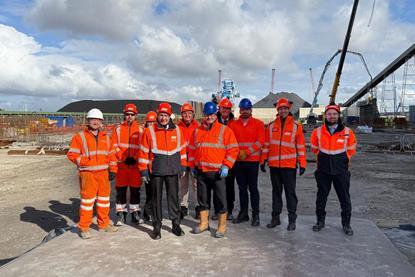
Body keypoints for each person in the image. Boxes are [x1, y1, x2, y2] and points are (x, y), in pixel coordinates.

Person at [188, 102, 239, 238]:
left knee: (221, 200)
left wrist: (227, 165)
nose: (209, 117)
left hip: (217, 172)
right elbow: (192, 150)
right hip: (201, 171)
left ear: (215, 115)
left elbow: (233, 149)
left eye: (211, 114)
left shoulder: (225, 130)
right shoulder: (197, 131)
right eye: (207, 114)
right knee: (202, 199)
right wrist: (192, 165)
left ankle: (222, 226)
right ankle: (204, 223)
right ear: (203, 115)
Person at [67, 108, 118, 239]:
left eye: (98, 120)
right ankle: (84, 227)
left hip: (103, 174)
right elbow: (72, 154)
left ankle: (104, 224)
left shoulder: (106, 138)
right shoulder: (80, 137)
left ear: (101, 122)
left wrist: (113, 170)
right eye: (93, 119)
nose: (95, 122)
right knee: (87, 201)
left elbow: (112, 155)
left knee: (104, 201)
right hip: (88, 174)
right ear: (88, 121)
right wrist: (85, 162)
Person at [138, 103, 187, 240]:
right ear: (158, 115)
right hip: (156, 171)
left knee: (173, 199)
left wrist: (183, 166)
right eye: (161, 115)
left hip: (172, 170)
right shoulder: (150, 131)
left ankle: (175, 224)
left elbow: (182, 150)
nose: (163, 118)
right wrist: (143, 171)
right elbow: (143, 152)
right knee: (156, 200)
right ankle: (157, 226)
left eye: (165, 115)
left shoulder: (177, 130)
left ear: (169, 116)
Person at [310, 103, 357, 236]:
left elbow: (352, 149)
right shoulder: (317, 132)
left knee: (345, 199)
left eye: (334, 114)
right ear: (326, 115)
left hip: (341, 171)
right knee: (321, 198)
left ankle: (346, 224)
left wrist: (343, 159)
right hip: (323, 170)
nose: (332, 116)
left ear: (338, 115)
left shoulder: (348, 132)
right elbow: (314, 148)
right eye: (329, 114)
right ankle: (320, 222)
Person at [261, 98, 306, 231]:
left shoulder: (296, 126)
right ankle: (276, 218)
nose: (283, 110)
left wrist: (302, 163)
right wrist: (263, 160)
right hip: (274, 166)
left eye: (285, 108)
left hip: (289, 167)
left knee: (290, 193)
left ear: (289, 109)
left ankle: (292, 220)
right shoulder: (270, 126)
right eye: (280, 108)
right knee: (276, 193)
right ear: (277, 110)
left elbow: (301, 147)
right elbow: (266, 145)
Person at [229, 98, 265, 226]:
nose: (245, 111)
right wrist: (238, 152)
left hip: (252, 161)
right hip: (238, 161)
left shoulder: (259, 124)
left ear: (251, 110)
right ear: (240, 110)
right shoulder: (233, 124)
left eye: (247, 109)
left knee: (253, 188)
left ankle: (256, 215)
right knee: (242, 189)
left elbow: (260, 141)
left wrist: (247, 152)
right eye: (243, 109)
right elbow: (230, 141)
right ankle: (243, 213)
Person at [111, 103, 144, 226]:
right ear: (124, 115)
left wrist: (135, 158)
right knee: (121, 191)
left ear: (136, 115)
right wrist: (124, 158)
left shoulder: (141, 130)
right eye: (127, 114)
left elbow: (143, 147)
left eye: (132, 114)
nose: (129, 116)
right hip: (122, 167)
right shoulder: (118, 129)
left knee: (135, 191)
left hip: (135, 167)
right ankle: (121, 215)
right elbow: (113, 146)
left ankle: (135, 214)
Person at [212, 97, 236, 220]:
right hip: (216, 159)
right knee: (217, 187)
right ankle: (217, 211)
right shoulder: (214, 121)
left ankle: (229, 211)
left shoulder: (234, 123)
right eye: (223, 108)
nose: (225, 110)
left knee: (229, 187)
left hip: (229, 161)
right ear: (219, 108)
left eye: (227, 108)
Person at [177, 103, 201, 219]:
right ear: (182, 115)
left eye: (189, 113)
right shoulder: (177, 127)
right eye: (185, 113)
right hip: (182, 161)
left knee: (196, 185)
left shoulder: (198, 127)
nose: (187, 115)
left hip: (195, 161)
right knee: (183, 185)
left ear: (193, 114)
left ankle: (198, 206)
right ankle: (183, 207)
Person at [141, 111, 157, 222]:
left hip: (157, 168)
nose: (151, 125)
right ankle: (148, 212)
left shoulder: (158, 133)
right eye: (149, 122)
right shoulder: (144, 133)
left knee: (155, 192)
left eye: (153, 122)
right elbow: (143, 153)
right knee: (150, 192)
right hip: (148, 167)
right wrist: (144, 170)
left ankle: (150, 211)